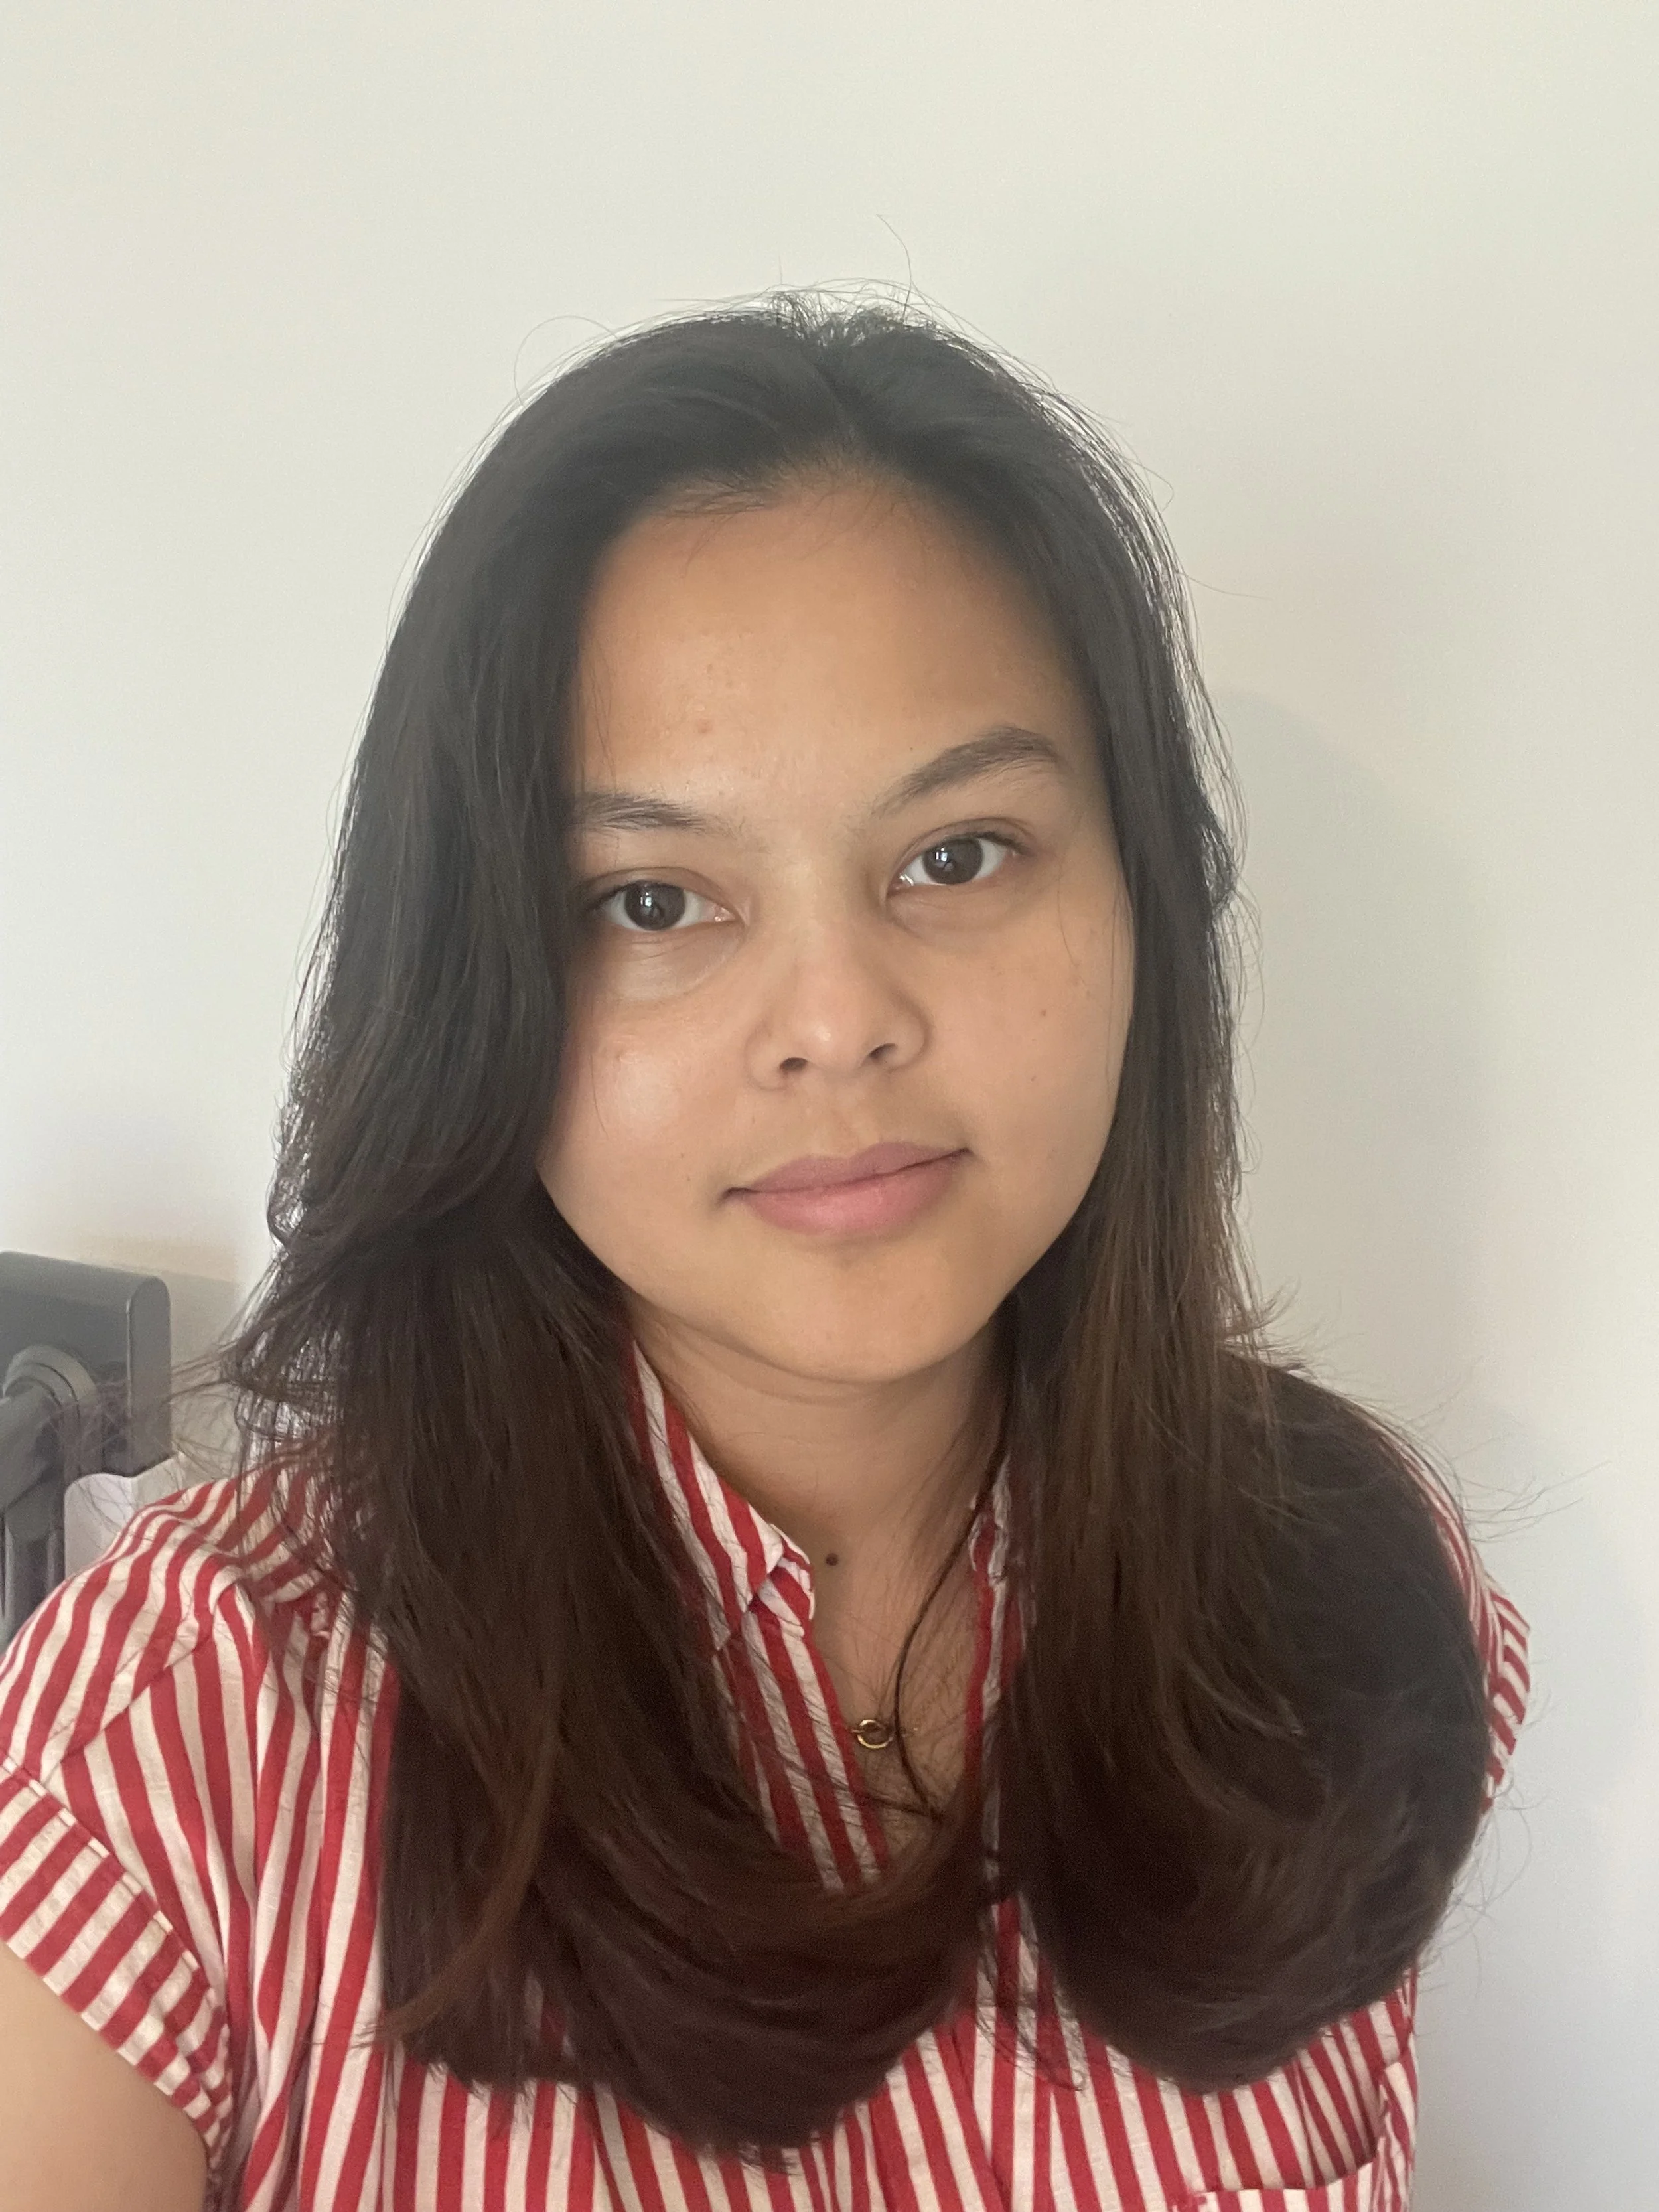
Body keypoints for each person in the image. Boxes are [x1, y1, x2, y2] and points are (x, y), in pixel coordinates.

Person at [0, 291, 1529, 2211]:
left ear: (1141, 898)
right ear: (478, 989)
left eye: (957, 855)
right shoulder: (202, 1715)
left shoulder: (1331, 1585)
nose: (836, 1017)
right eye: (655, 898)